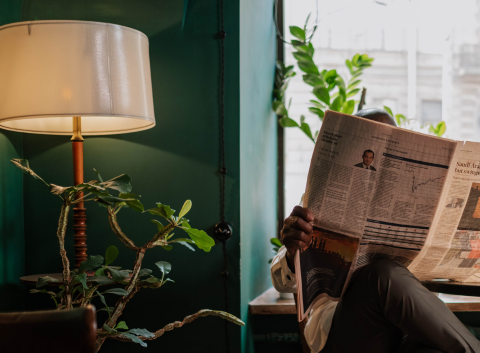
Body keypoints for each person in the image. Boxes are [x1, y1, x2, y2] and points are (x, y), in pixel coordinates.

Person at [271, 108, 480, 353]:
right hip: (346, 331)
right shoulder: (317, 199)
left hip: (410, 327)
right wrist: (291, 250)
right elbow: (282, 284)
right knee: (382, 275)